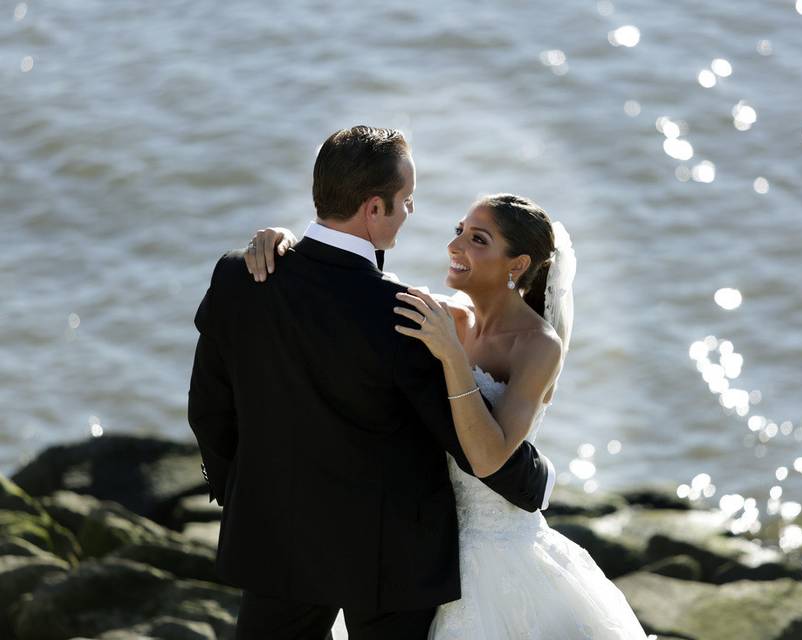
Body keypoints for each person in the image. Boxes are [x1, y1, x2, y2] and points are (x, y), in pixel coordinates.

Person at [188, 126, 556, 640]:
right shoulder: (404, 317)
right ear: (374, 208)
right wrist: (535, 481)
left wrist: (244, 493)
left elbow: (208, 408)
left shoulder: (240, 276)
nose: (411, 212)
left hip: (277, 539)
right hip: (388, 559)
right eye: (405, 201)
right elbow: (464, 438)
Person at [248, 194, 646, 638]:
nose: (456, 246)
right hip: (423, 543)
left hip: (499, 550)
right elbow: (353, 289)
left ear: (517, 265)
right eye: (458, 231)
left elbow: (490, 457)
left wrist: (453, 357)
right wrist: (289, 246)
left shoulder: (537, 346)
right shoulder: (445, 314)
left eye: (478, 239)